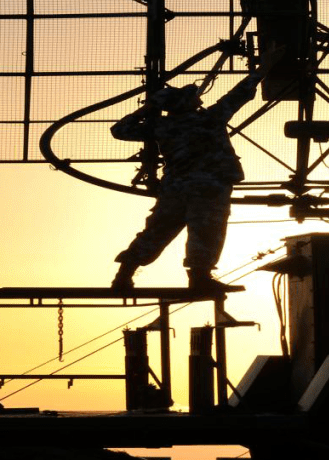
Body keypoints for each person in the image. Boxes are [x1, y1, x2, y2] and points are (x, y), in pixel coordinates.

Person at [109, 50, 280, 294]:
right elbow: (241, 93)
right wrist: (264, 68)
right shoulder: (210, 118)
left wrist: (148, 109)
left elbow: (120, 130)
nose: (197, 99)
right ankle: (199, 278)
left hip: (175, 188)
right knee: (206, 231)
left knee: (156, 232)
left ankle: (122, 278)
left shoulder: (162, 126)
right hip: (209, 187)